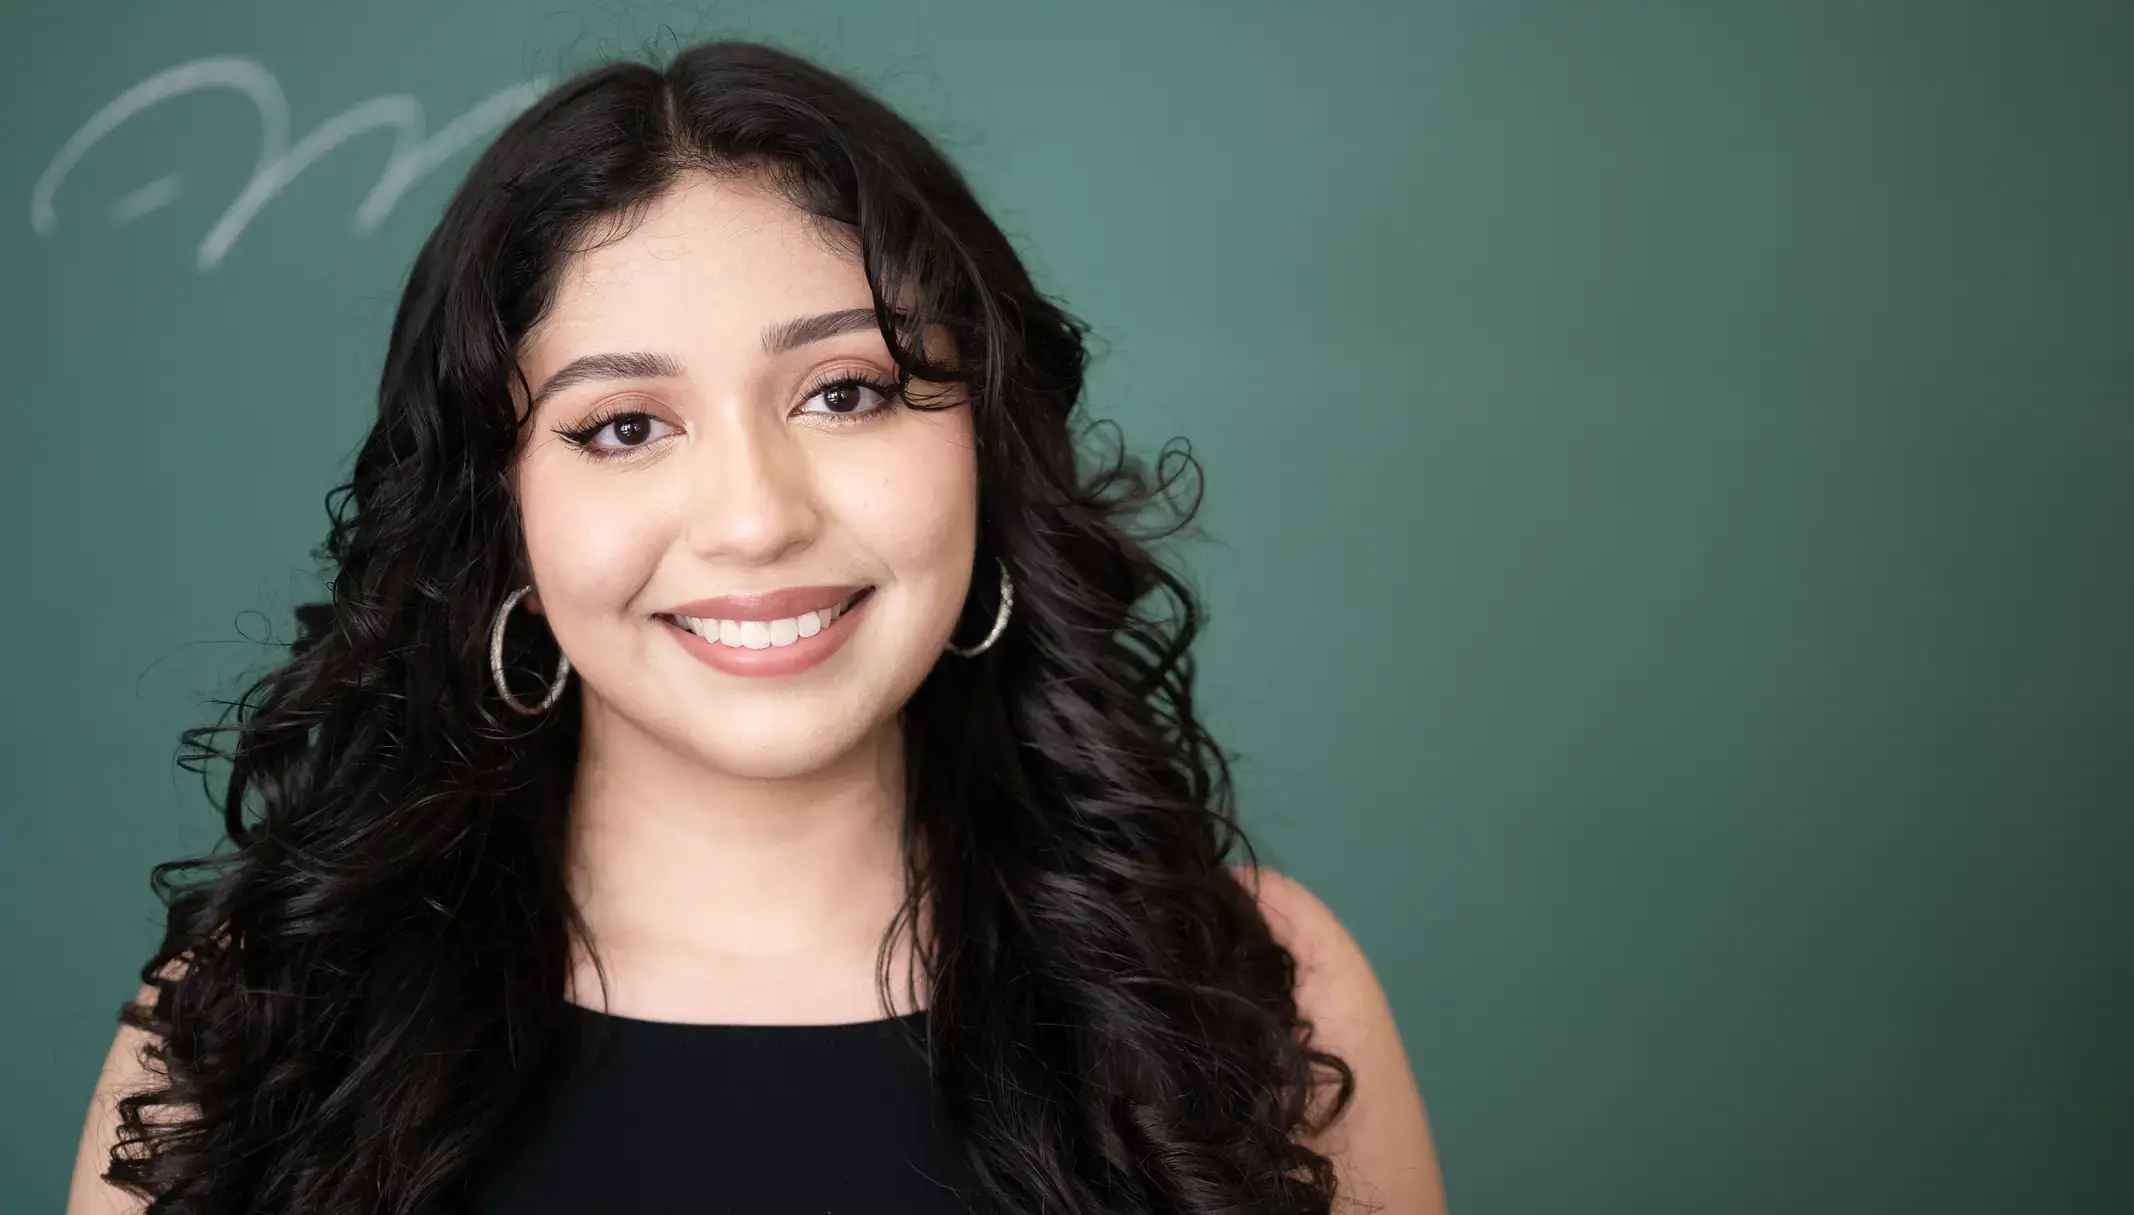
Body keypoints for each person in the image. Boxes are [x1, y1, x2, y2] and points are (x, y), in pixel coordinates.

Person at [66, 38, 1446, 1215]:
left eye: (844, 392)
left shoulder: (1264, 992)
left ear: (987, 446)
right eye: (622, 425)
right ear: (506, 517)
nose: (752, 518)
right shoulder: (252, 1023)